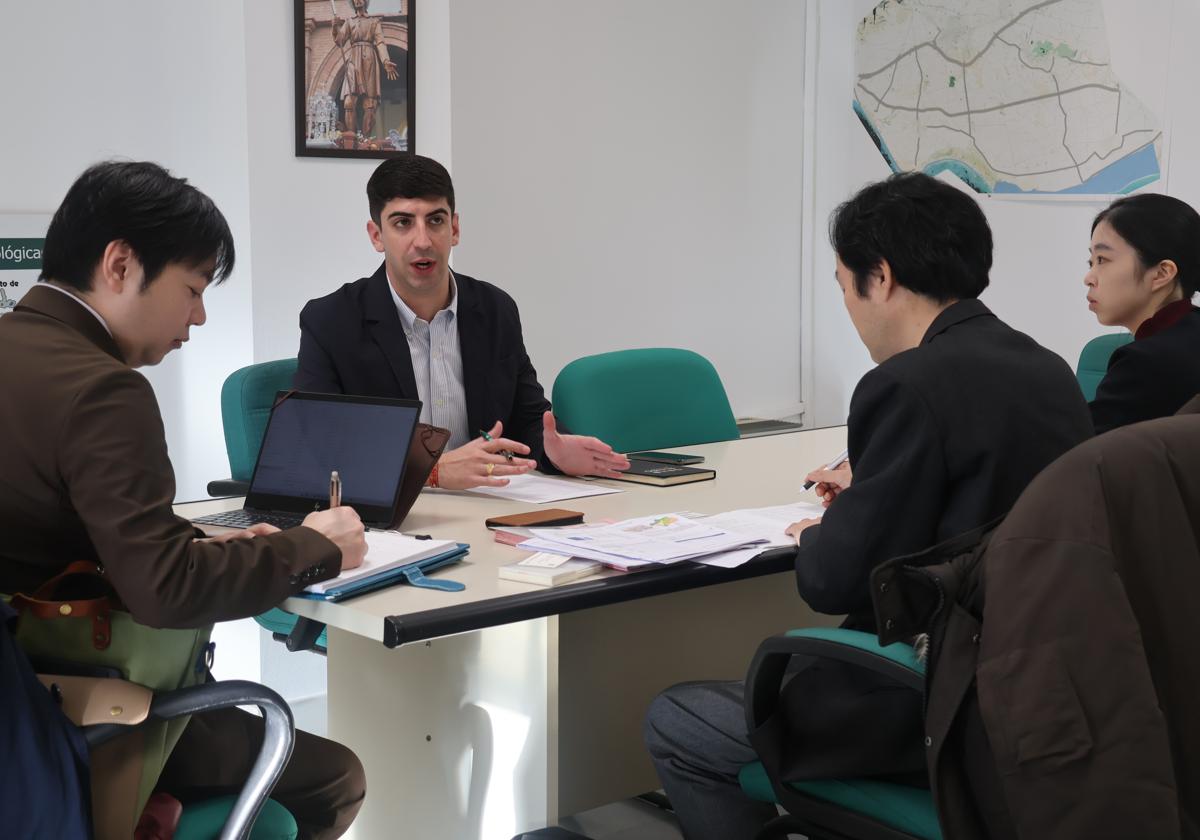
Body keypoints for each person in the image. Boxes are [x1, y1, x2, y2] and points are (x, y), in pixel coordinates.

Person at [643, 172, 1094, 840]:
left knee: (676, 718)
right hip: (1041, 697)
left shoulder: (903, 384)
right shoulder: (1048, 368)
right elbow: (986, 500)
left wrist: (820, 532)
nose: (849, 307)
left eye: (843, 284)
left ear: (878, 277)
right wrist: (878, 487)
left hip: (936, 705)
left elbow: (834, 581)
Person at [0, 161, 367, 840]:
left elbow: (44, 519)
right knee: (336, 775)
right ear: (119, 263)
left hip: (22, 688)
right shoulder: (103, 389)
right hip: (75, 709)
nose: (198, 316)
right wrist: (319, 544)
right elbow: (164, 593)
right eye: (192, 289)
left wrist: (190, 542)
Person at [294, 154, 630, 490]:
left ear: (454, 228)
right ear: (376, 235)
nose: (423, 241)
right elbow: (322, 449)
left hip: (485, 506)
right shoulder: (330, 321)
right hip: (389, 519)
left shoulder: (495, 309)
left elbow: (526, 420)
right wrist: (433, 471)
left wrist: (556, 453)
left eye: (435, 221)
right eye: (403, 223)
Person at [1084, 193, 1200, 433]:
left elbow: (1082, 456)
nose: (1089, 278)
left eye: (1103, 260)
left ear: (1161, 274)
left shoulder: (1144, 364)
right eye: (1091, 262)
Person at [332, 0, 398, 140]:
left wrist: (385, 61)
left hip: (369, 60)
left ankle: (366, 139)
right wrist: (334, 27)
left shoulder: (374, 22)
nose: (357, 0)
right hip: (353, 60)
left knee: (370, 104)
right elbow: (340, 41)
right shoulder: (349, 22)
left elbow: (380, 42)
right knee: (349, 102)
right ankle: (352, 138)